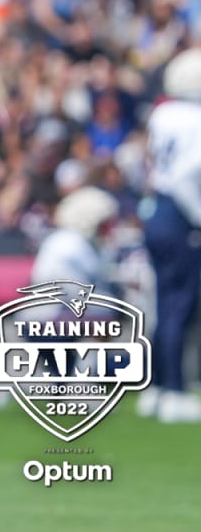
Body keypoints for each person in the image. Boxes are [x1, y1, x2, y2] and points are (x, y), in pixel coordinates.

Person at [139, 48, 201, 423]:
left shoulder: (163, 113)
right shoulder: (195, 118)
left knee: (165, 303)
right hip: (181, 214)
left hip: (158, 209)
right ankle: (175, 389)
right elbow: (185, 175)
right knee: (181, 303)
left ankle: (160, 386)